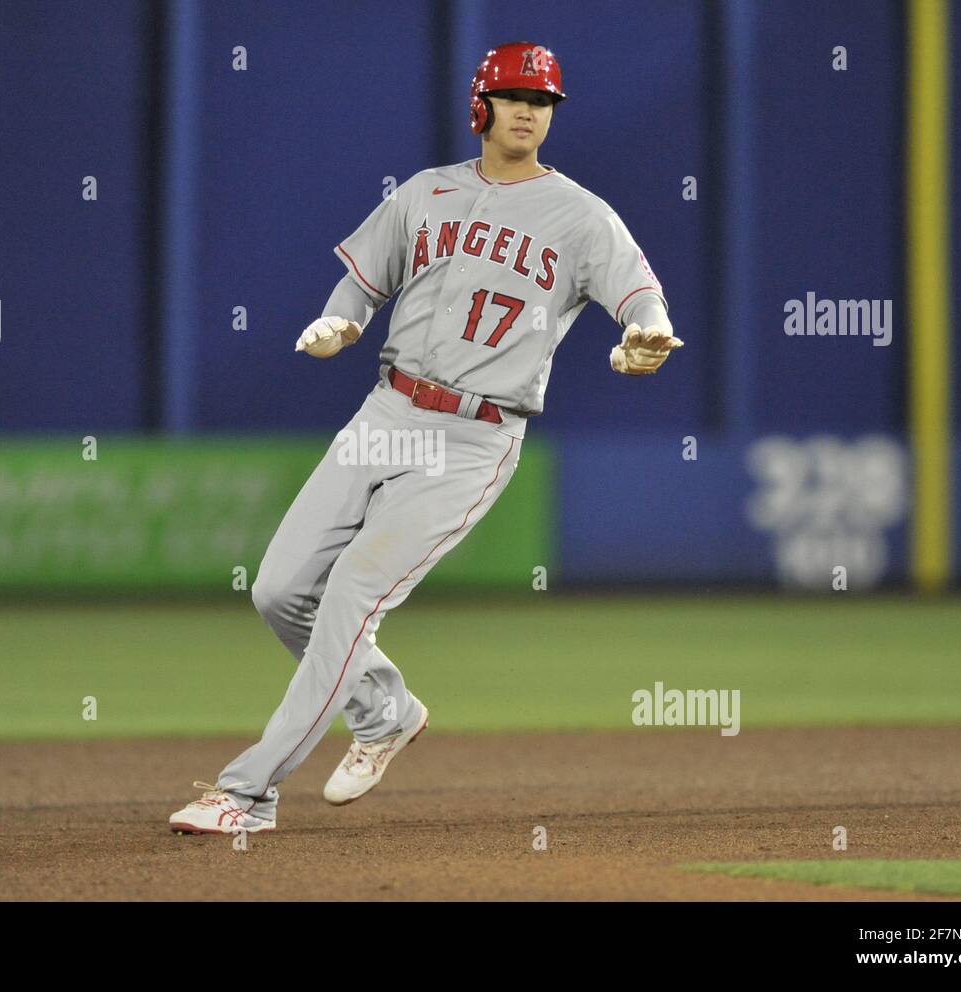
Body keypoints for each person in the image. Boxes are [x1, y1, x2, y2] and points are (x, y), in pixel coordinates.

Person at [169, 41, 682, 835]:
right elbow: (363, 278)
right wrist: (342, 318)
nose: (527, 109)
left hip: (474, 437)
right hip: (387, 412)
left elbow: (642, 298)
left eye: (540, 100)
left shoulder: (582, 216)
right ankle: (387, 712)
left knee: (348, 596)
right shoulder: (425, 193)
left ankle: (248, 792)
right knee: (279, 590)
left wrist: (647, 335)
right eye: (512, 94)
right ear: (481, 105)